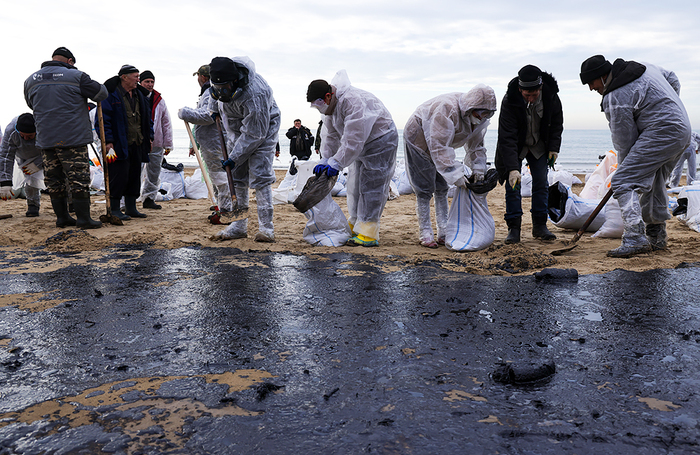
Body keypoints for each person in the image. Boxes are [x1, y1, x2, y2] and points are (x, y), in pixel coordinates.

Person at [580, 55, 692, 257]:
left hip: (661, 131)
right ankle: (656, 237)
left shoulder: (615, 97)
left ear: (602, 76)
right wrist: (669, 106)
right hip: (682, 129)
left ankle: (634, 238)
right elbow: (673, 78)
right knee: (655, 181)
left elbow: (624, 143)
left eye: (591, 83)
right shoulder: (643, 67)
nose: (591, 88)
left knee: (623, 181)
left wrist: (625, 173)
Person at [306, 70, 398, 247]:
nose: (318, 108)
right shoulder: (330, 109)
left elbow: (353, 138)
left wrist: (337, 162)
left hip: (381, 140)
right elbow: (331, 136)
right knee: (354, 183)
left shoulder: (351, 101)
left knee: (372, 185)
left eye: (319, 103)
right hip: (363, 144)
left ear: (327, 96)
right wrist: (325, 159)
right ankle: (356, 221)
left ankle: (369, 231)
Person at [23, 47, 107, 229]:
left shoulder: (30, 80)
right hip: (72, 138)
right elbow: (101, 93)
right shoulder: (77, 76)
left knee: (54, 180)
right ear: (70, 62)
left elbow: (31, 104)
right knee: (78, 178)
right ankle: (84, 219)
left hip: (46, 139)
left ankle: (62, 218)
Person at [404, 85, 497, 248]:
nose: (483, 117)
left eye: (487, 114)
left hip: (440, 144)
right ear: (470, 108)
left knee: (441, 187)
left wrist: (478, 170)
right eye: (481, 113)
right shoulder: (447, 110)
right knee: (424, 189)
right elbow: (439, 147)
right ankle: (425, 232)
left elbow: (476, 146)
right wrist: (456, 176)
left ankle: (444, 231)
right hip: (418, 141)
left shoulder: (478, 119)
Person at [209, 56, 280, 242]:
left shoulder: (256, 93)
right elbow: (214, 97)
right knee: (237, 177)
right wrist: (213, 109)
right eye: (218, 87)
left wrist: (235, 157)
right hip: (235, 130)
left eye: (224, 87)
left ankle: (266, 228)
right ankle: (238, 225)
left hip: (262, 130)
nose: (220, 91)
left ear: (234, 81)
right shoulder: (217, 82)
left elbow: (254, 134)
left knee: (260, 176)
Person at [495, 64, 563, 244]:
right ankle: (514, 228)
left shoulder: (551, 97)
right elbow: (506, 137)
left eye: (535, 94)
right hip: (515, 147)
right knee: (513, 185)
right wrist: (511, 169)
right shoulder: (509, 101)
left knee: (541, 183)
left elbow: (556, 125)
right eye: (527, 95)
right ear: (520, 89)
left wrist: (554, 148)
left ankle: (540, 226)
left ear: (540, 88)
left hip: (539, 146)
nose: (531, 99)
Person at [99, 65, 154, 221]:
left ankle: (131, 208)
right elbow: (103, 120)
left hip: (137, 142)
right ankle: (115, 208)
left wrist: (149, 136)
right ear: (124, 77)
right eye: (136, 76)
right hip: (117, 144)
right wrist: (108, 142)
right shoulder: (111, 95)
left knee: (134, 174)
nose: (138, 79)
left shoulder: (140, 96)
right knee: (118, 175)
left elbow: (147, 119)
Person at [178, 64, 232, 216]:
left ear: (202, 77)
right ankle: (224, 208)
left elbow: (208, 115)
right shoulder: (211, 92)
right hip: (214, 141)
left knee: (221, 178)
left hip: (215, 141)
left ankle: (226, 210)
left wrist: (185, 113)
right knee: (220, 177)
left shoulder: (210, 92)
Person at [139, 71, 173, 210]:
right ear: (140, 82)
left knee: (154, 171)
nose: (150, 84)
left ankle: (149, 198)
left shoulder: (159, 100)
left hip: (157, 141)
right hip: (139, 140)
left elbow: (166, 122)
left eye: (152, 82)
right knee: (136, 171)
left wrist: (168, 144)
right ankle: (128, 200)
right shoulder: (135, 96)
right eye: (147, 81)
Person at [0, 114, 44, 216]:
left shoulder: (44, 129)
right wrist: (5, 182)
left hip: (43, 154)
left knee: (58, 176)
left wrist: (38, 163)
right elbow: (5, 156)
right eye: (22, 135)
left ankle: (70, 202)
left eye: (29, 136)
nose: (25, 138)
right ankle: (33, 205)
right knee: (29, 178)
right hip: (23, 156)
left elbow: (53, 149)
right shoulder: (11, 131)